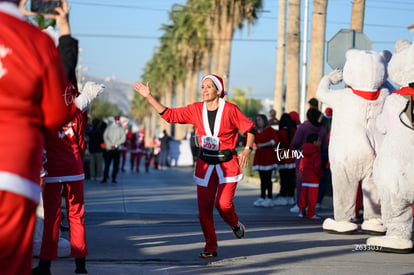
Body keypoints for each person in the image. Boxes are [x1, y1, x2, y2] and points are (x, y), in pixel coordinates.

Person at [134, 73, 255, 259]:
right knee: (204, 210)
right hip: (205, 165)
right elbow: (170, 115)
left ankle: (235, 224)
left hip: (227, 165)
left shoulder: (230, 109)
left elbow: (249, 129)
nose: (204, 90)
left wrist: (247, 149)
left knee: (223, 204)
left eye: (208, 86)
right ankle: (211, 245)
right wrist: (149, 97)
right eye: (202, 87)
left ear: (218, 90)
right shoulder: (195, 109)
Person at [0, 1, 79, 274]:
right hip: (14, 167)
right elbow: (57, 113)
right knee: (10, 262)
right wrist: (65, 30)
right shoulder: (36, 40)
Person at [29, 1, 105, 274]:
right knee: (77, 217)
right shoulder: (78, 101)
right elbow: (69, 67)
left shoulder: (45, 98)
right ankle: (81, 265)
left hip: (52, 170)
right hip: (74, 167)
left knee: (51, 218)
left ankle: (46, 266)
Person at [290, 108, 328, 213]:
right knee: (315, 183)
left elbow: (295, 142)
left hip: (302, 157)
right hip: (317, 157)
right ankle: (314, 204)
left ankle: (300, 205)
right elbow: (325, 145)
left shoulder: (303, 127)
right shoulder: (322, 129)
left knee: (301, 182)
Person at [252, 114, 279, 208]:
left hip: (268, 155)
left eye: (259, 119)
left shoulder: (270, 130)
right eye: (257, 120)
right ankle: (262, 197)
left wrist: (262, 145)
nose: (258, 121)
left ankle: (269, 198)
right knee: (262, 179)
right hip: (260, 156)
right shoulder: (256, 132)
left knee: (268, 178)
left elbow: (274, 141)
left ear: (264, 120)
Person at [298, 133, 323, 219]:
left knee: (303, 197)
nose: (321, 142)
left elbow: (301, 166)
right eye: (319, 140)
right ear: (314, 142)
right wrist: (320, 174)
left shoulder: (304, 152)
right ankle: (311, 213)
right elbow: (317, 167)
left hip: (305, 179)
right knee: (312, 199)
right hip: (314, 180)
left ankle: (302, 211)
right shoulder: (316, 153)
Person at [273, 113, 297, 206]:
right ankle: (291, 197)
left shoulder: (279, 132)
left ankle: (283, 196)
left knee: (284, 178)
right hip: (292, 155)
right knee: (291, 177)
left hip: (282, 156)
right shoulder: (294, 131)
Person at [102, 116, 127, 183]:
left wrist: (110, 144)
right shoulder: (121, 129)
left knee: (107, 164)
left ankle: (105, 177)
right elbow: (123, 139)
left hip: (109, 148)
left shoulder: (108, 128)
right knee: (115, 165)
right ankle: (113, 178)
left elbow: (105, 136)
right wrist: (116, 144)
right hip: (117, 149)